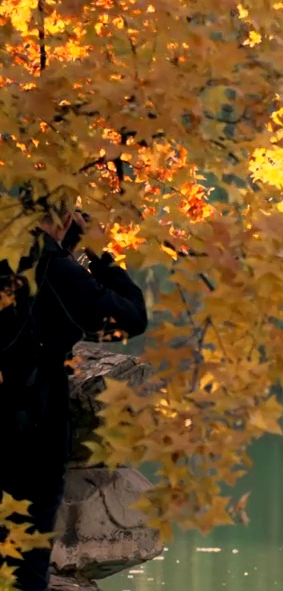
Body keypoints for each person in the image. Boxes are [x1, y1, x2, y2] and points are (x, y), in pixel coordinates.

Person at [0, 208, 148, 591]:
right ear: (64, 217)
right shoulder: (56, 269)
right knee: (28, 544)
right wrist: (97, 252)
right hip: (35, 421)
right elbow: (131, 318)